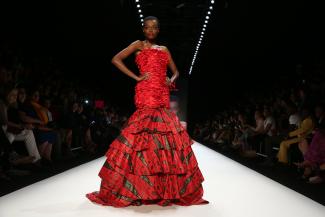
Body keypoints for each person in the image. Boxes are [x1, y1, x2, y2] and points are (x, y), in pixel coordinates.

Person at [86, 16, 209, 207]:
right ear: (143, 30)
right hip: (145, 92)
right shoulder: (138, 45)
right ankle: (136, 187)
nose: (151, 31)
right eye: (147, 28)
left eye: (154, 28)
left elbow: (176, 71)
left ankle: (158, 187)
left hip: (161, 91)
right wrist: (136, 77)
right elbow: (116, 59)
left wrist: (171, 79)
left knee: (161, 136)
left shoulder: (164, 50)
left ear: (158, 30)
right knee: (142, 135)